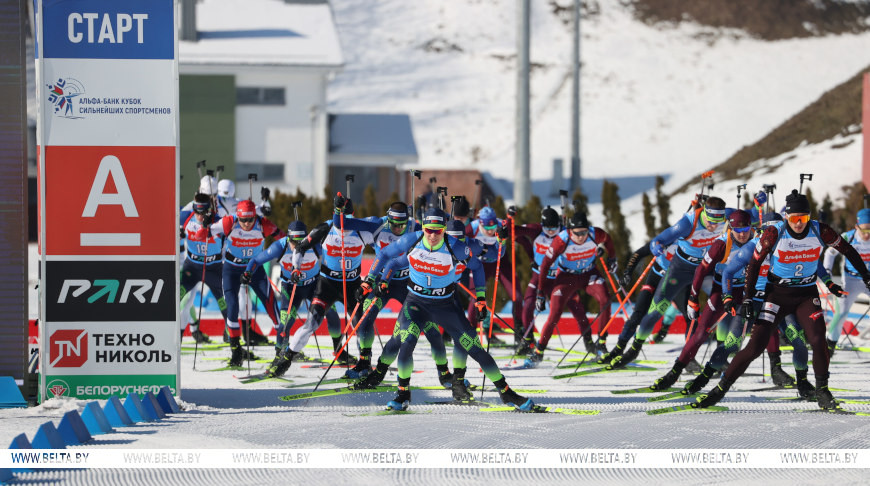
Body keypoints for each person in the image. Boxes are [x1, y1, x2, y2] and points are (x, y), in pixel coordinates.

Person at [695, 190, 870, 410]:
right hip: (776, 294)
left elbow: (848, 250)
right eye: (794, 218)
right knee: (754, 346)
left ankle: (822, 391)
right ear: (786, 216)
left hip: (806, 294)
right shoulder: (772, 233)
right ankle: (719, 390)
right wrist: (748, 299)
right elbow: (754, 266)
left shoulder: (819, 230)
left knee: (817, 340)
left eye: (803, 218)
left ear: (809, 217)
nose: (798, 224)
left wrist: (865, 275)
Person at [357, 207, 535, 411]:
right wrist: (372, 281)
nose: (432, 235)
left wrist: (481, 299)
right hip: (416, 303)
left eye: (438, 230)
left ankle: (506, 393)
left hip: (445, 304)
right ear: (422, 227)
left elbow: (482, 263)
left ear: (444, 230)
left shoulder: (457, 247)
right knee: (405, 342)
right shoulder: (413, 240)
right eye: (429, 230)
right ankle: (402, 393)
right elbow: (389, 257)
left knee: (474, 347)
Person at [607, 196, 731, 369]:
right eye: (710, 221)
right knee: (652, 312)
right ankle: (632, 348)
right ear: (704, 213)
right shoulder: (686, 225)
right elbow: (653, 243)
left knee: (723, 303)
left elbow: (748, 218)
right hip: (675, 273)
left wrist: (758, 209)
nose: (713, 226)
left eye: (718, 222)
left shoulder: (725, 218)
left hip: (703, 271)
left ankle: (719, 356)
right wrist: (656, 247)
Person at [265, 196, 378, 377]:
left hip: (352, 285)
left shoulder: (362, 232)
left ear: (353, 216)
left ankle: (365, 363)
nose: (343, 225)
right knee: (312, 323)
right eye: (340, 219)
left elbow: (382, 253)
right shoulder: (325, 228)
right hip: (327, 285)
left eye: (347, 219)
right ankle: (285, 359)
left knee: (361, 324)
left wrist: (373, 278)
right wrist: (296, 268)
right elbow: (300, 248)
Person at [340, 202, 450, 382]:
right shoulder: (377, 224)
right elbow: (342, 224)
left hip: (408, 284)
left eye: (402, 224)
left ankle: (444, 372)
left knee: (430, 326)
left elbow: (446, 232)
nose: (398, 228)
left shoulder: (416, 227)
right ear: (388, 219)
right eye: (393, 224)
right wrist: (340, 211)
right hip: (382, 283)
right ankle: (364, 362)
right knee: (365, 317)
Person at [646, 210, 755, 390]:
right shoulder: (721, 244)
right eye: (737, 229)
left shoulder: (756, 241)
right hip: (720, 292)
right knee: (700, 334)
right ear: (730, 228)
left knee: (734, 341)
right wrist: (693, 298)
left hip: (745, 293)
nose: (742, 234)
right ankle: (674, 372)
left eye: (745, 229)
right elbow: (701, 271)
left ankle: (707, 377)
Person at [197, 199, 284, 366]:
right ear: (238, 217)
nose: (246, 223)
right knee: (232, 307)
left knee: (271, 306)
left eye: (250, 219)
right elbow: (202, 236)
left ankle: (282, 348)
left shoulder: (262, 224)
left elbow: (282, 239)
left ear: (255, 216)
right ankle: (236, 351)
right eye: (243, 220)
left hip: (255, 270)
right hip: (232, 269)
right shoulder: (229, 222)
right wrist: (206, 226)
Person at [526, 211, 616, 367]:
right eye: (577, 233)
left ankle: (601, 344)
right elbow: (545, 264)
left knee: (605, 300)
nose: (581, 236)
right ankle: (539, 351)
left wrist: (612, 258)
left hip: (589, 274)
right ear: (570, 231)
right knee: (555, 313)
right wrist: (540, 294)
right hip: (566, 277)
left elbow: (608, 240)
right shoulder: (562, 240)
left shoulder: (595, 233)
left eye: (584, 232)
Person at [244, 220, 341, 357]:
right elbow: (256, 261)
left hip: (314, 285)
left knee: (332, 314)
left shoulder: (314, 245)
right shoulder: (280, 246)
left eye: (301, 243)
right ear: (288, 238)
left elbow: (334, 252)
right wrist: (248, 273)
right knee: (286, 321)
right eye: (294, 242)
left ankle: (339, 351)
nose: (297, 247)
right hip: (291, 288)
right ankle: (280, 353)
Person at [512, 207, 595, 355]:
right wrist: (507, 229)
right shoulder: (536, 230)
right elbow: (516, 231)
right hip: (539, 276)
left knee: (577, 308)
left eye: (554, 228)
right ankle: (528, 341)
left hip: (560, 278)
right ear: (541, 225)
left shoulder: (566, 233)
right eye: (547, 228)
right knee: (529, 305)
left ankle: (589, 342)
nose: (550, 231)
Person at [465, 206, 524, 344]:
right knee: (476, 299)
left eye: (493, 229)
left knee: (517, 295)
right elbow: (457, 241)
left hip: (500, 262)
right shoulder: (471, 229)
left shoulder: (501, 225)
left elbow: (516, 230)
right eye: (487, 229)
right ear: (480, 223)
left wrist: (511, 217)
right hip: (480, 264)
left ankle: (520, 333)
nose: (491, 232)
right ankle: (470, 334)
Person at [178, 193, 228, 343]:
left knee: (225, 303)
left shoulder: (219, 222)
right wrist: (178, 235)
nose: (198, 216)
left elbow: (232, 243)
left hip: (213, 269)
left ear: (209, 210)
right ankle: (175, 341)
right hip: (191, 269)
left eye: (202, 212)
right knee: (178, 299)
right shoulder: (185, 218)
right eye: (196, 212)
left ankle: (232, 339)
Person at [823, 208, 870, 354]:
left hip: (868, 280)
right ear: (857, 227)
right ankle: (830, 345)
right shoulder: (848, 237)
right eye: (864, 231)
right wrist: (827, 274)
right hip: (850, 279)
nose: (867, 235)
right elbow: (830, 254)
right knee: (841, 313)